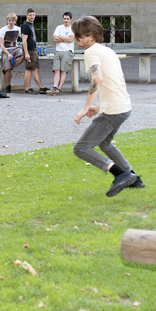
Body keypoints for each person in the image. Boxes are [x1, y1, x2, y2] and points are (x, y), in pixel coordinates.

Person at [72, 16, 144, 197]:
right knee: (104, 143)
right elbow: (117, 81)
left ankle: (121, 174)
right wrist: (98, 107)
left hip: (113, 111)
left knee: (81, 148)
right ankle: (134, 178)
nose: (76, 39)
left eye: (79, 35)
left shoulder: (91, 52)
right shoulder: (107, 51)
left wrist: (84, 108)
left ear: (89, 34)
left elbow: (98, 79)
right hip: (122, 106)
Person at [21, 8, 49, 95]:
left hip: (34, 50)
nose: (32, 17)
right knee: (29, 69)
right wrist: (26, 53)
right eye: (30, 15)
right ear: (27, 16)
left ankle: (41, 87)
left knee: (36, 69)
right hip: (29, 50)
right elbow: (24, 40)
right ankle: (27, 88)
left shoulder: (31, 24)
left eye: (33, 15)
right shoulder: (25, 25)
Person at [49, 12, 75, 95]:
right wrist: (66, 38)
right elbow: (55, 39)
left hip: (68, 51)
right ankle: (55, 87)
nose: (66, 20)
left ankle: (59, 88)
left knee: (63, 71)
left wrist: (60, 36)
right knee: (56, 70)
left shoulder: (73, 29)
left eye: (67, 19)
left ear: (70, 19)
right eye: (64, 18)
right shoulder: (59, 27)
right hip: (58, 51)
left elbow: (71, 40)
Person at [0, 13, 24, 93]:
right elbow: (1, 45)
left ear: (15, 21)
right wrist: (8, 54)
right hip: (6, 49)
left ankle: (8, 67)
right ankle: (8, 85)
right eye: (9, 20)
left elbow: (24, 38)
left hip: (15, 48)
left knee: (24, 55)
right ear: (7, 21)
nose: (11, 22)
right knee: (8, 69)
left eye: (12, 20)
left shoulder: (18, 29)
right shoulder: (3, 30)